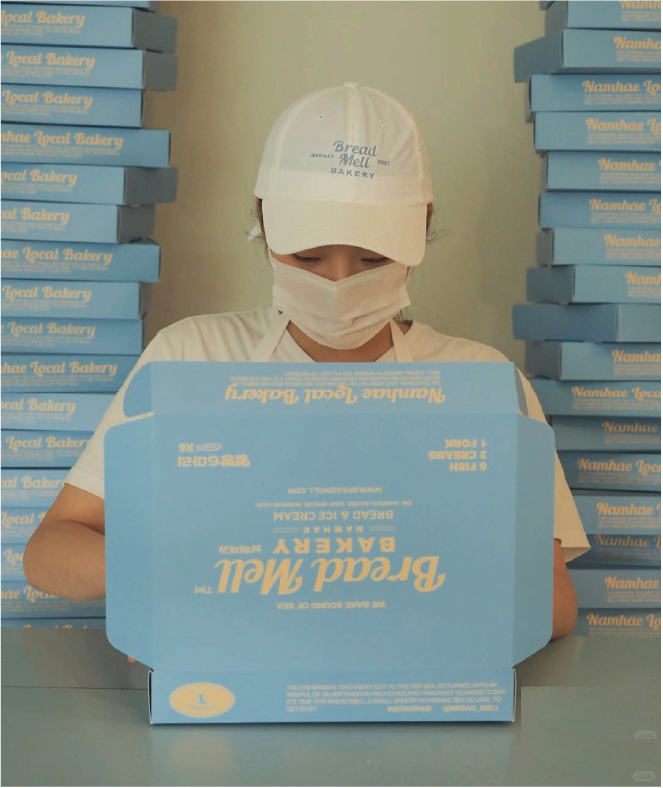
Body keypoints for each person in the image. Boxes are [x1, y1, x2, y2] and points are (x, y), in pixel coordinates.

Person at [23, 81, 590, 646]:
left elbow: (556, 601)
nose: (339, 282)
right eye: (310, 256)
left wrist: (398, 599)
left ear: (423, 225)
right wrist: (176, 579)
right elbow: (49, 551)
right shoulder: (190, 359)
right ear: (263, 222)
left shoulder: (483, 384)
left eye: (372, 258)